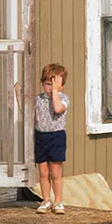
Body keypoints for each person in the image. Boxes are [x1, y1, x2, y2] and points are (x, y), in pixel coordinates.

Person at [32, 62, 70, 208]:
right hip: (41, 136)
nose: (50, 88)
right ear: (42, 83)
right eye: (48, 84)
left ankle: (58, 201)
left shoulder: (64, 99)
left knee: (55, 172)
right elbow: (29, 114)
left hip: (56, 137)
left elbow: (58, 108)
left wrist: (55, 92)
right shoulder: (38, 100)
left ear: (62, 86)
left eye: (54, 84)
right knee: (43, 172)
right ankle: (46, 199)